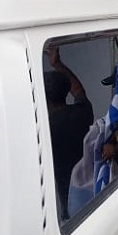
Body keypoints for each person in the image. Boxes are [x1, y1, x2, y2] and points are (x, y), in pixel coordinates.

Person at [44, 46, 95, 219]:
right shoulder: (82, 113)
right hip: (92, 194)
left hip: (70, 208)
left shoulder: (47, 131)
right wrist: (58, 64)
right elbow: (79, 91)